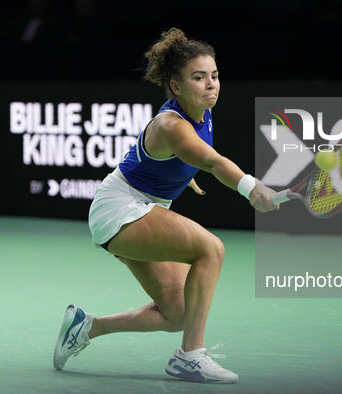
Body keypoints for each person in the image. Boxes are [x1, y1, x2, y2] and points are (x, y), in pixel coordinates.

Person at [53, 27, 277, 384]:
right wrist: (251, 187)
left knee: (178, 314)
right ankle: (190, 357)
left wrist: (178, 172)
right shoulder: (171, 123)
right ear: (175, 86)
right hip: (121, 207)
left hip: (145, 205)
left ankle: (85, 327)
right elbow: (212, 160)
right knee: (211, 249)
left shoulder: (200, 112)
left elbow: (175, 156)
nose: (211, 85)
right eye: (199, 77)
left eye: (215, 76)